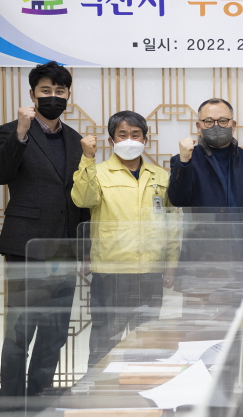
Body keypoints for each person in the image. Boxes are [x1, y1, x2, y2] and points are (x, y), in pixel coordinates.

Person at [0, 61, 85, 396]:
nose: (53, 96)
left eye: (60, 91)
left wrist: (85, 248)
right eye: (46, 90)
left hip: (65, 249)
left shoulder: (75, 139)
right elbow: (0, 174)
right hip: (26, 247)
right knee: (20, 330)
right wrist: (20, 132)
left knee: (54, 333)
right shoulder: (11, 131)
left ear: (68, 95)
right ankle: (12, 403)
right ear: (32, 94)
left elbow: (81, 195)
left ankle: (40, 396)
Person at [71, 111, 178, 367]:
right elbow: (83, 200)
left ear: (145, 139)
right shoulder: (97, 172)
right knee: (105, 341)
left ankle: (141, 388)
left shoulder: (160, 176)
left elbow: (172, 223)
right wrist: (87, 158)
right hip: (112, 272)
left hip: (150, 271)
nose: (129, 140)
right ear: (111, 141)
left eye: (135, 135)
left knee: (147, 342)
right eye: (122, 135)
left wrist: (172, 264)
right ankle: (97, 389)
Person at [168, 98, 243, 208]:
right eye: (209, 121)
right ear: (198, 127)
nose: (216, 126)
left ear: (234, 125)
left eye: (223, 121)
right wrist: (184, 162)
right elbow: (178, 201)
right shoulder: (184, 160)